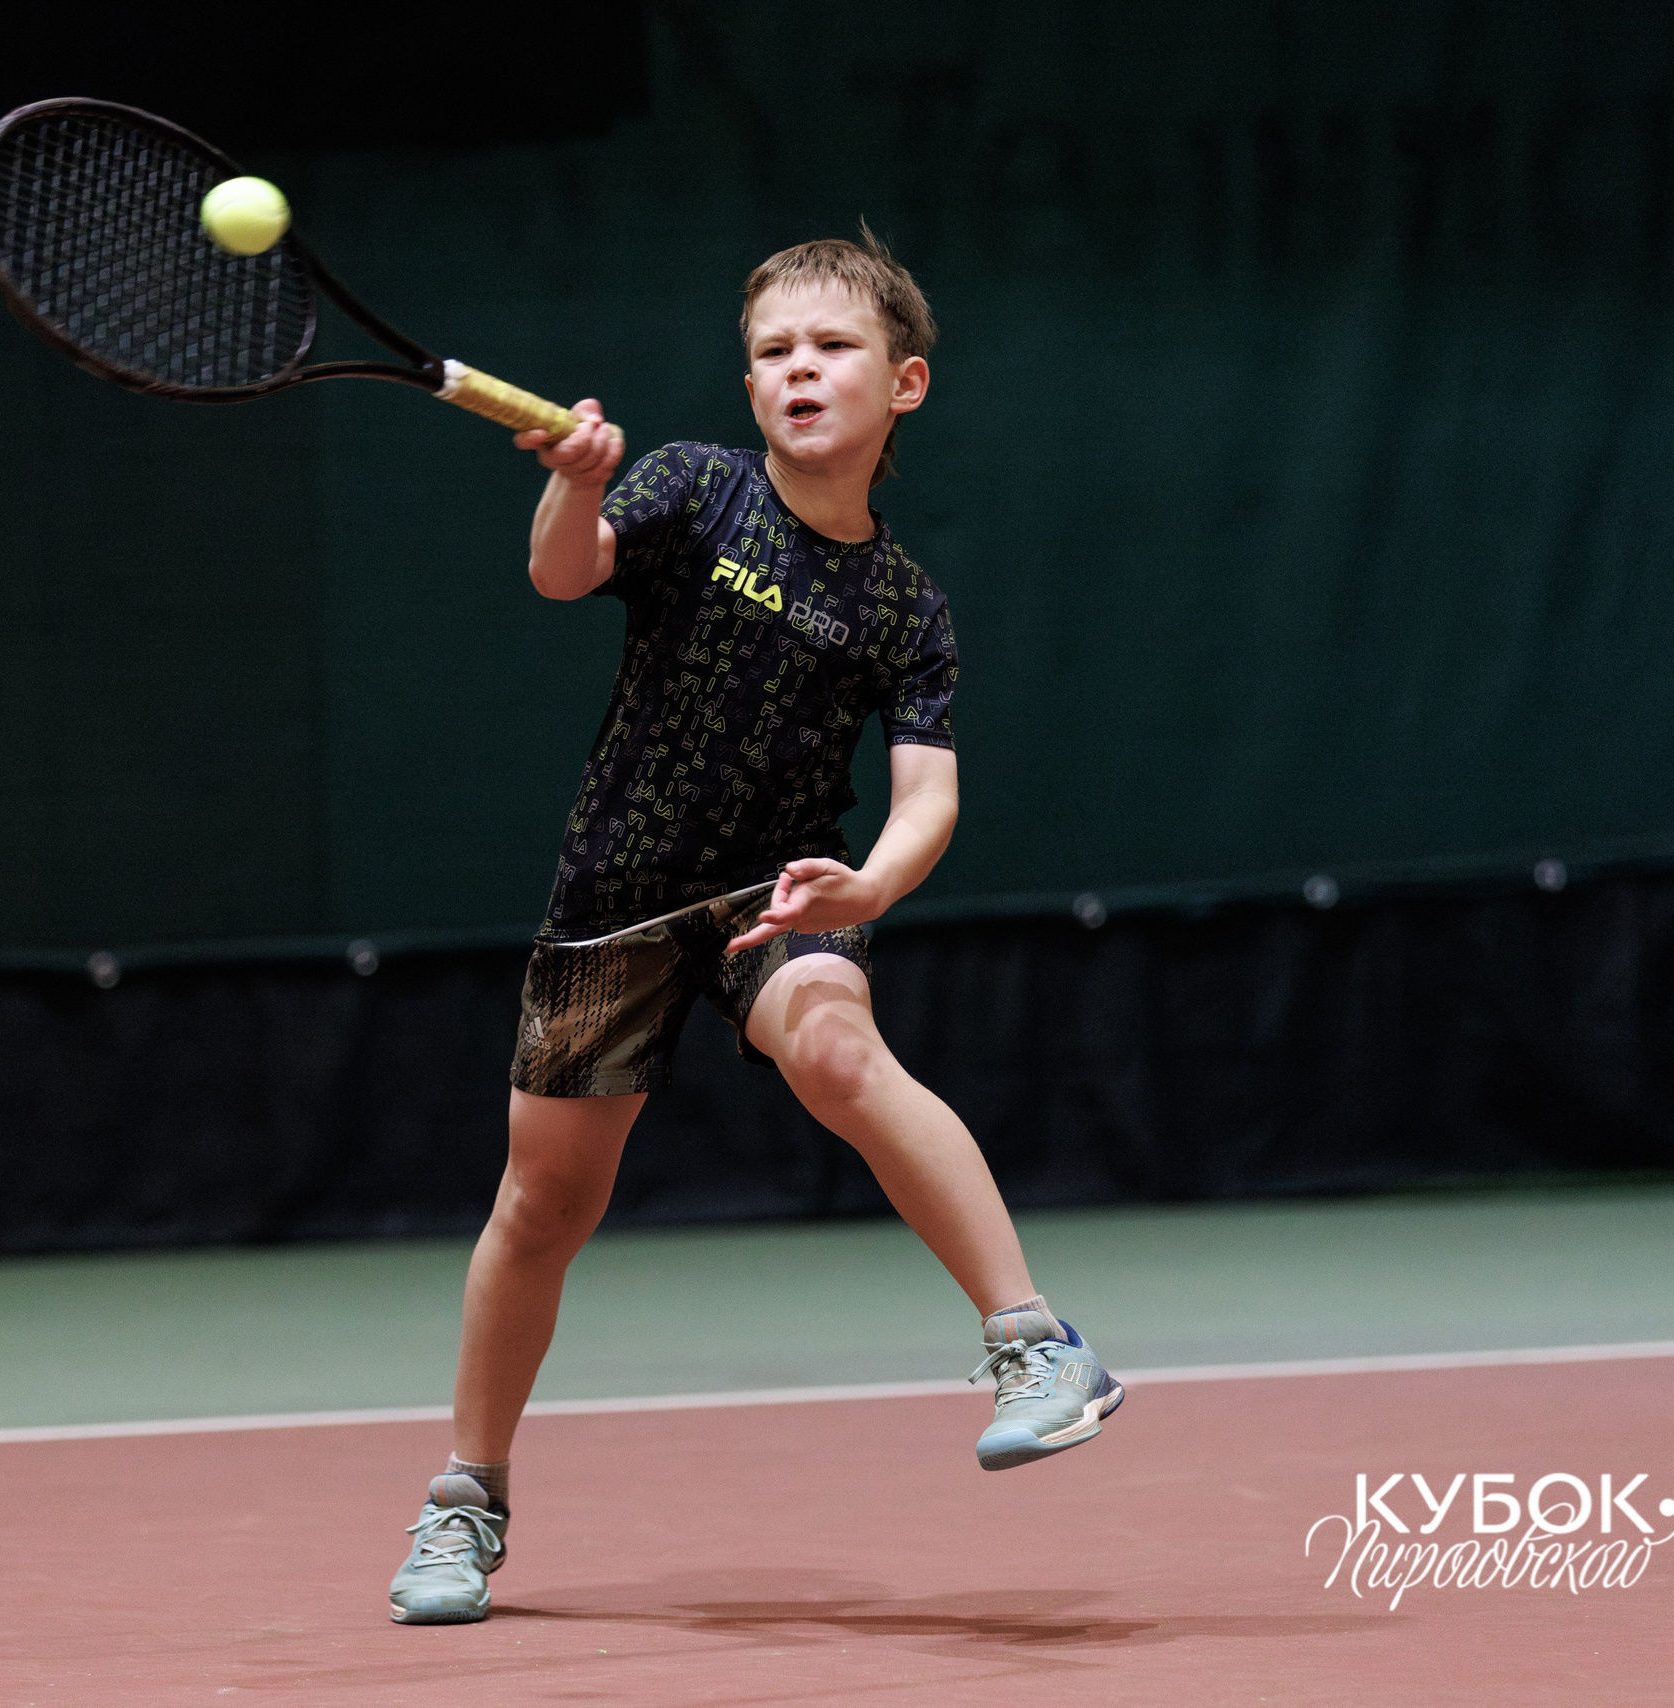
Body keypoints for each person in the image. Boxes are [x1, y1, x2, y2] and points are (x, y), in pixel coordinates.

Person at [388, 232, 1123, 1626]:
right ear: (748, 387)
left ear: (903, 383)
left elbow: (927, 796)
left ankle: (1038, 1345)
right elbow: (565, 574)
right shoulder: (694, 485)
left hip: (776, 895)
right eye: (776, 351)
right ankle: (465, 1497)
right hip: (613, 898)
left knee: (837, 1052)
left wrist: (869, 889)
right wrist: (574, 484)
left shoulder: (904, 605)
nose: (801, 369)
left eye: (833, 347)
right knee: (542, 1207)